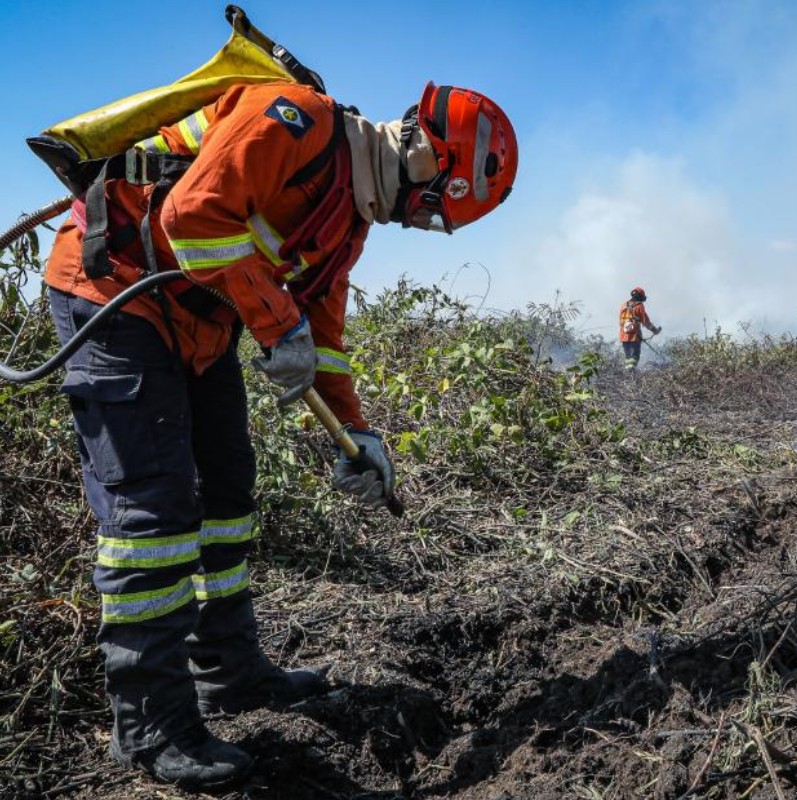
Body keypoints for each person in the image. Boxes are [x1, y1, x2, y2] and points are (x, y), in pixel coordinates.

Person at [43, 79, 517, 788]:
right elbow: (193, 218)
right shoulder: (295, 119)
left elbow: (321, 340)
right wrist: (275, 323)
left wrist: (358, 435)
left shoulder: (347, 223)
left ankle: (229, 673)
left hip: (196, 324)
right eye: (430, 206)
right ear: (424, 154)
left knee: (229, 493)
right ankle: (150, 726)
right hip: (114, 295)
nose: (417, 224)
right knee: (155, 512)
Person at [618, 286, 661, 370]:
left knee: (628, 357)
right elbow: (645, 322)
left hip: (623, 335)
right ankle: (631, 372)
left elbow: (621, 321)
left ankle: (628, 372)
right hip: (634, 336)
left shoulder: (623, 305)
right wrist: (655, 330)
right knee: (634, 355)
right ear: (640, 297)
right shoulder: (640, 306)